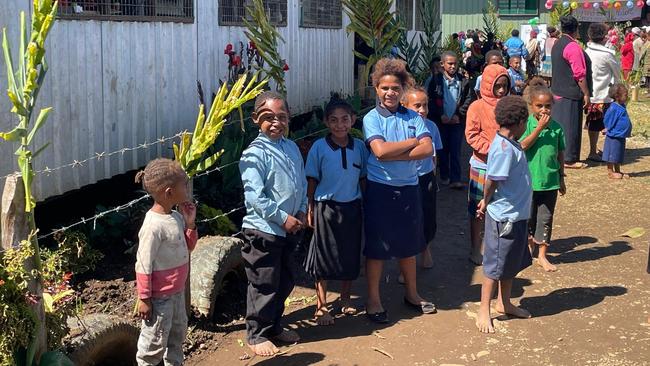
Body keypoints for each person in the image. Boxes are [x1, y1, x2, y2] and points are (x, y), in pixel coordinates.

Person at [363, 58, 436, 324]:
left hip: (409, 188)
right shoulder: (371, 119)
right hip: (380, 189)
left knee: (410, 243)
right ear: (376, 89)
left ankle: (412, 294)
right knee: (377, 247)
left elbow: (428, 149)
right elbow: (379, 152)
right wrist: (409, 143)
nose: (390, 93)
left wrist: (394, 152)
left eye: (395, 88)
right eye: (384, 88)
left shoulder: (413, 116)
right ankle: (373, 299)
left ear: (403, 90)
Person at [239, 91, 307, 356]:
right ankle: (256, 335)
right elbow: (255, 196)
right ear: (256, 119)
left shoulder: (290, 147)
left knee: (286, 280)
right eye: (268, 117)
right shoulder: (253, 155)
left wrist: (301, 211)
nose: (276, 123)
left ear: (288, 118)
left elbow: (300, 183)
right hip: (263, 231)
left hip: (291, 229)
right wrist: (282, 218)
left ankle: (275, 326)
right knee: (263, 283)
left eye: (282, 117)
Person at [304, 97, 367, 326]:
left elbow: (363, 179)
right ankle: (321, 306)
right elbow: (311, 179)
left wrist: (366, 204)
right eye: (334, 120)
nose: (340, 125)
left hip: (352, 208)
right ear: (326, 122)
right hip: (325, 208)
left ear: (353, 120)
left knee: (349, 255)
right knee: (324, 256)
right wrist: (309, 207)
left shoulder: (359, 147)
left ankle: (345, 298)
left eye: (344, 120)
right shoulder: (319, 147)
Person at [475, 95, 533, 334]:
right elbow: (492, 181)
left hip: (517, 214)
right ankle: (483, 310)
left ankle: (504, 303)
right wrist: (485, 201)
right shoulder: (501, 148)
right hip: (504, 218)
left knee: (510, 263)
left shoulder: (512, 144)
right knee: (494, 265)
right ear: (519, 122)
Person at [134, 158, 198, 366]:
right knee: (153, 343)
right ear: (169, 192)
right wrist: (144, 298)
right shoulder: (153, 226)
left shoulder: (176, 217)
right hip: (159, 298)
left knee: (176, 338)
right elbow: (143, 264)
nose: (187, 188)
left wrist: (190, 223)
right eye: (184, 185)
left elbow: (189, 247)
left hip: (177, 293)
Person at [465, 64, 511, 266]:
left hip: (505, 168)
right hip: (482, 166)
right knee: (477, 210)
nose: (501, 90)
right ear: (486, 85)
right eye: (497, 86)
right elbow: (472, 135)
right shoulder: (477, 107)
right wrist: (494, 149)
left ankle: (497, 248)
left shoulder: (509, 105)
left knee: (501, 207)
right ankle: (476, 247)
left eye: (504, 86)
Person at [519, 86, 566, 273]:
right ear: (531, 106)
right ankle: (528, 249)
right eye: (539, 106)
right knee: (528, 217)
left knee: (545, 218)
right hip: (528, 182)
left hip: (550, 182)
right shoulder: (526, 125)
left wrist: (562, 177)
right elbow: (522, 145)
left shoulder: (557, 128)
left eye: (547, 106)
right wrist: (539, 129)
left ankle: (542, 255)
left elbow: (560, 153)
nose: (544, 110)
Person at [403, 86, 443, 270]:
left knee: (428, 217)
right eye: (417, 106)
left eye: (425, 105)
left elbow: (434, 156)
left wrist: (434, 179)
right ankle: (407, 262)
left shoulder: (432, 127)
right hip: (406, 179)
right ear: (404, 106)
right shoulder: (401, 127)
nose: (422, 110)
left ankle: (426, 249)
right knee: (409, 220)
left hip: (426, 178)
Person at [427, 51, 473, 189]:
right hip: (441, 122)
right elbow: (431, 100)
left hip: (456, 122)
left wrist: (458, 115)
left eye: (455, 63)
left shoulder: (463, 81)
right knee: (442, 150)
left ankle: (456, 178)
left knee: (455, 150)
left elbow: (468, 99)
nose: (453, 66)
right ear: (442, 64)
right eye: (450, 63)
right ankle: (445, 175)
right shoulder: (435, 81)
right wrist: (440, 115)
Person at [551, 15, 591, 169]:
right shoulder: (573, 46)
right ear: (576, 29)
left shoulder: (557, 43)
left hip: (557, 90)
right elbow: (579, 74)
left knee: (561, 126)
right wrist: (586, 93)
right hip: (569, 92)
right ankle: (569, 159)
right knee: (571, 126)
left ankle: (561, 155)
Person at [585, 22, 621, 163]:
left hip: (591, 95)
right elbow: (617, 75)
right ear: (604, 37)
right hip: (605, 95)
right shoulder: (607, 54)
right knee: (609, 125)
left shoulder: (586, 51)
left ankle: (593, 151)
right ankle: (609, 152)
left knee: (593, 125)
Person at [602, 84, 633, 179]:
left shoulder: (622, 106)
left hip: (620, 135)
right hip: (614, 135)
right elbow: (609, 119)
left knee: (618, 153)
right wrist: (607, 128)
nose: (627, 96)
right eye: (625, 95)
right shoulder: (614, 108)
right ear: (617, 96)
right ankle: (610, 172)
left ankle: (618, 170)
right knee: (612, 153)